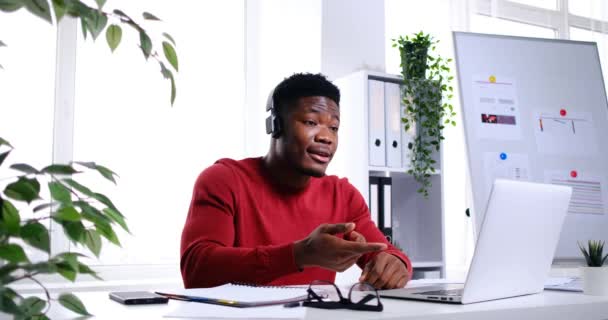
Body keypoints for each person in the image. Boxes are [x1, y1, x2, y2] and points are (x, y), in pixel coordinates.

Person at [180, 73, 412, 289]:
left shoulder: (343, 194)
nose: (326, 137)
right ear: (276, 125)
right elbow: (197, 269)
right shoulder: (224, 180)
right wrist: (299, 255)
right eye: (311, 122)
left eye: (334, 127)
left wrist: (395, 264)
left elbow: (386, 253)